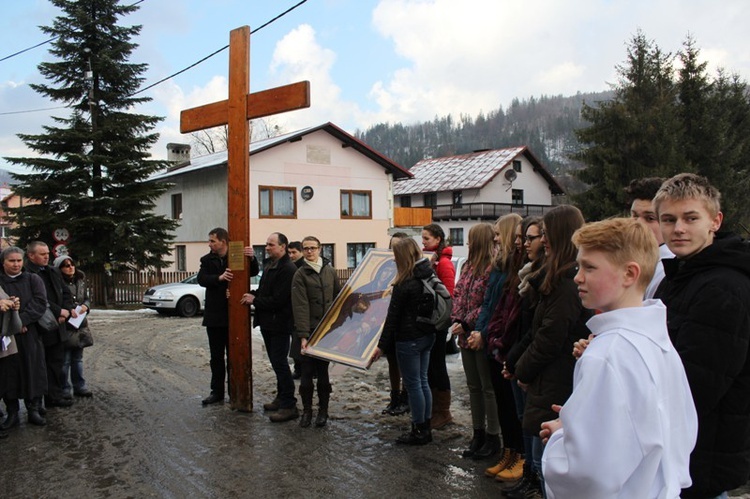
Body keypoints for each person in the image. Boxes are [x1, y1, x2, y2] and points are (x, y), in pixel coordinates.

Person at [539, 217, 697, 498]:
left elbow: (588, 474)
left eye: (589, 267)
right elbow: (680, 429)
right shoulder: (658, 342)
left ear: (629, 274)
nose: (578, 277)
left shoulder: (606, 355)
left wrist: (563, 436)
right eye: (579, 266)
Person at [654, 173, 750, 498]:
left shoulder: (723, 287)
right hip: (683, 452)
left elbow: (696, 387)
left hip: (702, 455)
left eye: (690, 218)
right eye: (669, 219)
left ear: (715, 221)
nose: (678, 228)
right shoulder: (681, 274)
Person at [513, 205, 592, 494]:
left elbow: (549, 338)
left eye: (545, 234)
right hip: (546, 377)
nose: (541, 239)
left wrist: (522, 368)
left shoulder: (566, 283)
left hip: (556, 379)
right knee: (540, 454)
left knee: (548, 462)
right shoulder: (555, 276)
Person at [372, 237, 438, 445]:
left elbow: (392, 318)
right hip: (427, 335)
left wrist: (381, 346)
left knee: (413, 385)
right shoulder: (427, 275)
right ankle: (426, 426)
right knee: (423, 381)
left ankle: (418, 429)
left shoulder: (404, 283)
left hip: (408, 339)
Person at [499, 217, 546, 497]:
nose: (523, 242)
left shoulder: (547, 278)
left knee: (532, 421)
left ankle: (535, 480)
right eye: (522, 237)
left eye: (530, 238)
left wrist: (519, 364)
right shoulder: (527, 272)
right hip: (518, 353)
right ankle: (529, 474)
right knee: (523, 417)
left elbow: (541, 332)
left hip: (532, 362)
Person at [197, 228, 259, 406]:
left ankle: (236, 393)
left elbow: (253, 272)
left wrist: (252, 257)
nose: (210, 244)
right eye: (209, 241)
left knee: (235, 356)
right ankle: (216, 392)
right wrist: (219, 278)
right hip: (215, 316)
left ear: (223, 242)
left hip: (235, 315)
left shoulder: (237, 255)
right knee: (216, 358)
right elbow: (202, 279)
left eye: (212, 241)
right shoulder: (207, 260)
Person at [450, 223, 496, 459]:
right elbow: (458, 294)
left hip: (481, 334)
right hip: (464, 333)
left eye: (471, 239)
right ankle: (477, 432)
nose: (467, 243)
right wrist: (457, 318)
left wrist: (467, 322)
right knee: (473, 386)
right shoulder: (468, 266)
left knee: (488, 387)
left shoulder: (491, 268)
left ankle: (492, 435)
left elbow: (487, 303)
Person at [241, 232, 299, 422]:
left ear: (283, 247)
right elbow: (265, 290)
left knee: (280, 363)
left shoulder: (288, 269)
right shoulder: (270, 265)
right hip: (268, 322)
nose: (267, 247)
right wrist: (251, 293)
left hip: (280, 323)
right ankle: (281, 398)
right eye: (266, 244)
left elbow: (279, 300)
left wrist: (255, 300)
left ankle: (289, 405)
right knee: (276, 363)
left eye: (271, 245)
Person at [291, 236, 342, 428]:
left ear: (320, 249)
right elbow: (300, 307)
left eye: (313, 248)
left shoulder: (329, 270)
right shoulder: (300, 274)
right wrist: (303, 336)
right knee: (306, 373)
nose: (309, 252)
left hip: (325, 330)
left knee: (323, 372)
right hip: (308, 330)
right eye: (306, 248)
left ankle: (323, 411)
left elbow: (338, 298)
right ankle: (307, 411)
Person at [0, 246, 48, 428]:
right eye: (11, 261)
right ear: (4, 262)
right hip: (7, 335)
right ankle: (12, 412)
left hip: (30, 333)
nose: (16, 264)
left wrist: (22, 322)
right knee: (9, 373)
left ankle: (33, 409)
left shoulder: (32, 279)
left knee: (33, 369)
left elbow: (40, 302)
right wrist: (13, 326)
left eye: (19, 260)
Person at [24, 241, 74, 409]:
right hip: (40, 325)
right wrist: (58, 311)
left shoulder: (52, 271)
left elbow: (65, 292)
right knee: (39, 365)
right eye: (42, 254)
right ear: (31, 256)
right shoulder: (27, 273)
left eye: (47, 254)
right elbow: (38, 299)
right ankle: (38, 401)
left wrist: (66, 311)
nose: (47, 257)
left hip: (58, 325)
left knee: (56, 362)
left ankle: (54, 396)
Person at [422, 223, 455, 429]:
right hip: (431, 321)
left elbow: (448, 294)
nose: (423, 242)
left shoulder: (443, 263)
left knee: (437, 365)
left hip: (439, 322)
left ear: (437, 240)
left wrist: (442, 320)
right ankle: (435, 409)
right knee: (431, 366)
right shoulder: (431, 260)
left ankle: (443, 412)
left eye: (426, 238)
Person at [625, 177, 673, 298]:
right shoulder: (623, 258)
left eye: (650, 218)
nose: (638, 224)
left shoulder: (667, 270)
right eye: (634, 216)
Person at [53, 255, 93, 398]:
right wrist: (68, 310)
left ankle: (80, 386)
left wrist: (85, 306)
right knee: (65, 360)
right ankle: (65, 388)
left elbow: (87, 298)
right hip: (65, 325)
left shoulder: (80, 280)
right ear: (59, 268)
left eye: (72, 264)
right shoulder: (56, 283)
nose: (70, 268)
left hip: (80, 324)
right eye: (66, 265)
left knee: (78, 358)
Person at [382, 232, 410, 416]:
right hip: (388, 322)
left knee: (406, 363)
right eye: (392, 246)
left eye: (398, 246)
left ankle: (406, 398)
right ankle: (394, 397)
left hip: (405, 325)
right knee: (392, 361)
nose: (395, 250)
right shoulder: (386, 268)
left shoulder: (410, 270)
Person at [287, 241, 304, 379]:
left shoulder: (302, 268)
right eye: (289, 252)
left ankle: (303, 369)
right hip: (292, 311)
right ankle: (299, 368)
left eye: (294, 252)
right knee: (296, 343)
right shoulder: (291, 267)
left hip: (302, 311)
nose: (291, 255)